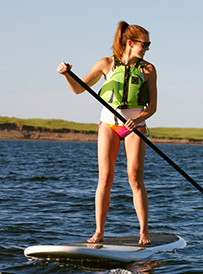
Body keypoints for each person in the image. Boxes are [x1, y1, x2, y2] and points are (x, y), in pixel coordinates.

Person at [57, 21, 158, 245]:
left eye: (149, 44)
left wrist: (136, 120)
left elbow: (152, 108)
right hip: (108, 126)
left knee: (135, 178)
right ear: (130, 43)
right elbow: (78, 89)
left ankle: (144, 233)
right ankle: (99, 232)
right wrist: (67, 74)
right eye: (145, 44)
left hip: (135, 127)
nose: (148, 48)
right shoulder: (106, 64)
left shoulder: (148, 70)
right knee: (105, 178)